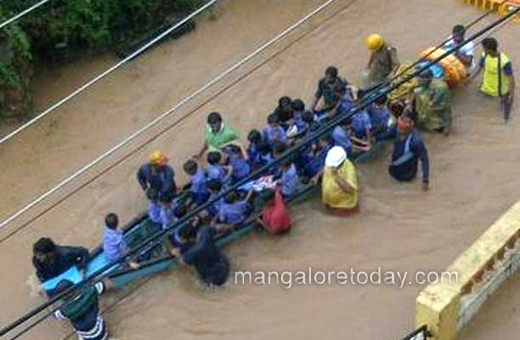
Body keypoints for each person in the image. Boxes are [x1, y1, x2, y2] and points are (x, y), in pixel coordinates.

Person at [380, 115, 430, 190]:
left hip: (407, 175)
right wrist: (374, 139)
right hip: (393, 170)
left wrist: (425, 180)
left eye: (400, 128)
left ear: (406, 130)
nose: (397, 129)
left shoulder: (416, 142)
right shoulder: (396, 130)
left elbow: (424, 160)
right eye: (397, 126)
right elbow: (387, 136)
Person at [472, 37, 515, 121]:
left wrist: (511, 95)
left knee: (498, 115)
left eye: (484, 49)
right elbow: (479, 68)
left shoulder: (504, 61)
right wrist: (468, 80)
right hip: (485, 90)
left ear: (489, 50)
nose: (483, 50)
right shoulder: (485, 55)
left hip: (498, 95)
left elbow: (511, 79)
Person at [413, 69, 452, 136]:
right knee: (417, 92)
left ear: (427, 79)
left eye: (420, 79)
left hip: (440, 105)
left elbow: (442, 105)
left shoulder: (440, 88)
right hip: (432, 100)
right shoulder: (427, 84)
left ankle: (442, 126)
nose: (418, 81)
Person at [321, 146, 359, 214]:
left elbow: (350, 190)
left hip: (343, 206)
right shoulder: (330, 161)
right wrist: (317, 176)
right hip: (328, 202)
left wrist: (336, 176)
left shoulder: (349, 168)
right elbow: (325, 168)